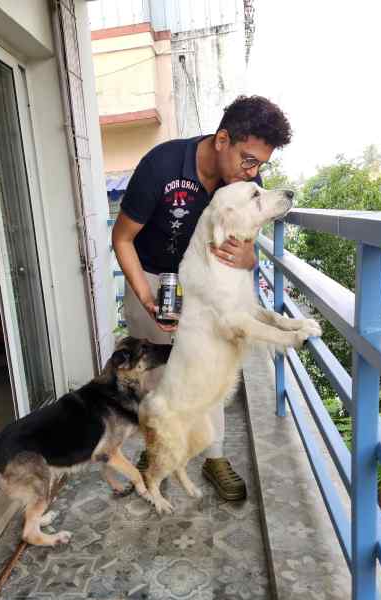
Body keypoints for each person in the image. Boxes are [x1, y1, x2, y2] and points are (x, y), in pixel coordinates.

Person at [112, 95, 292, 501]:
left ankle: (214, 457)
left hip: (207, 289)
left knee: (208, 372)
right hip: (154, 280)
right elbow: (121, 238)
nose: (254, 173)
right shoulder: (162, 165)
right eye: (248, 160)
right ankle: (155, 453)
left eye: (261, 165)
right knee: (158, 379)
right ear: (222, 139)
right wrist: (144, 296)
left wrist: (249, 255)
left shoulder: (245, 185)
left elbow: (247, 235)